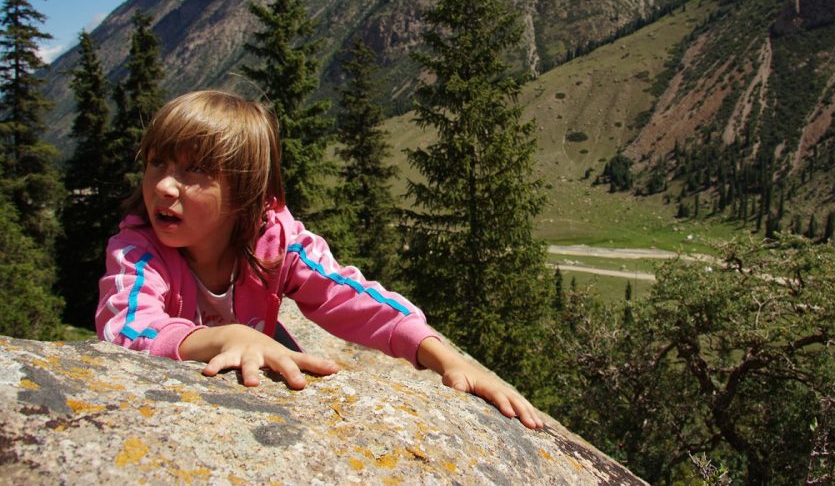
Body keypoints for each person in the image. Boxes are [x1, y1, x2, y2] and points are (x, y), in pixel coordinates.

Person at [95, 90, 542, 429]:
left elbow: (347, 294)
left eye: (194, 171)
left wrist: (444, 357)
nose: (165, 187)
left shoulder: (276, 241)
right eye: (157, 163)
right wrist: (224, 337)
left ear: (248, 194)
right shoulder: (138, 250)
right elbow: (127, 328)